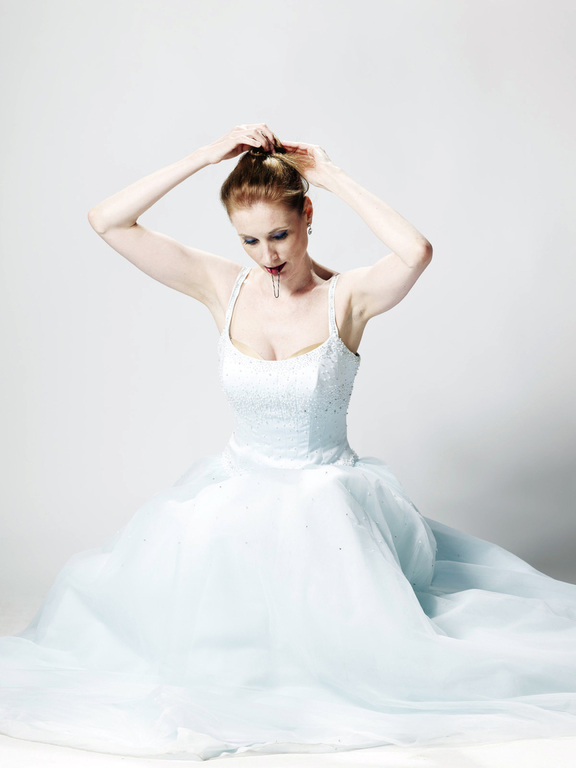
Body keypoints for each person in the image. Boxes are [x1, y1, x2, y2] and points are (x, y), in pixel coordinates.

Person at [0, 124, 575, 761]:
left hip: (329, 503)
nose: (266, 255)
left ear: (307, 217)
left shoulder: (347, 298)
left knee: (352, 653)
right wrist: (202, 157)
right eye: (249, 240)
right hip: (232, 495)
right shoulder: (222, 285)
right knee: (192, 644)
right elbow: (107, 220)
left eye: (279, 234)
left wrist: (329, 175)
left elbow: (415, 252)